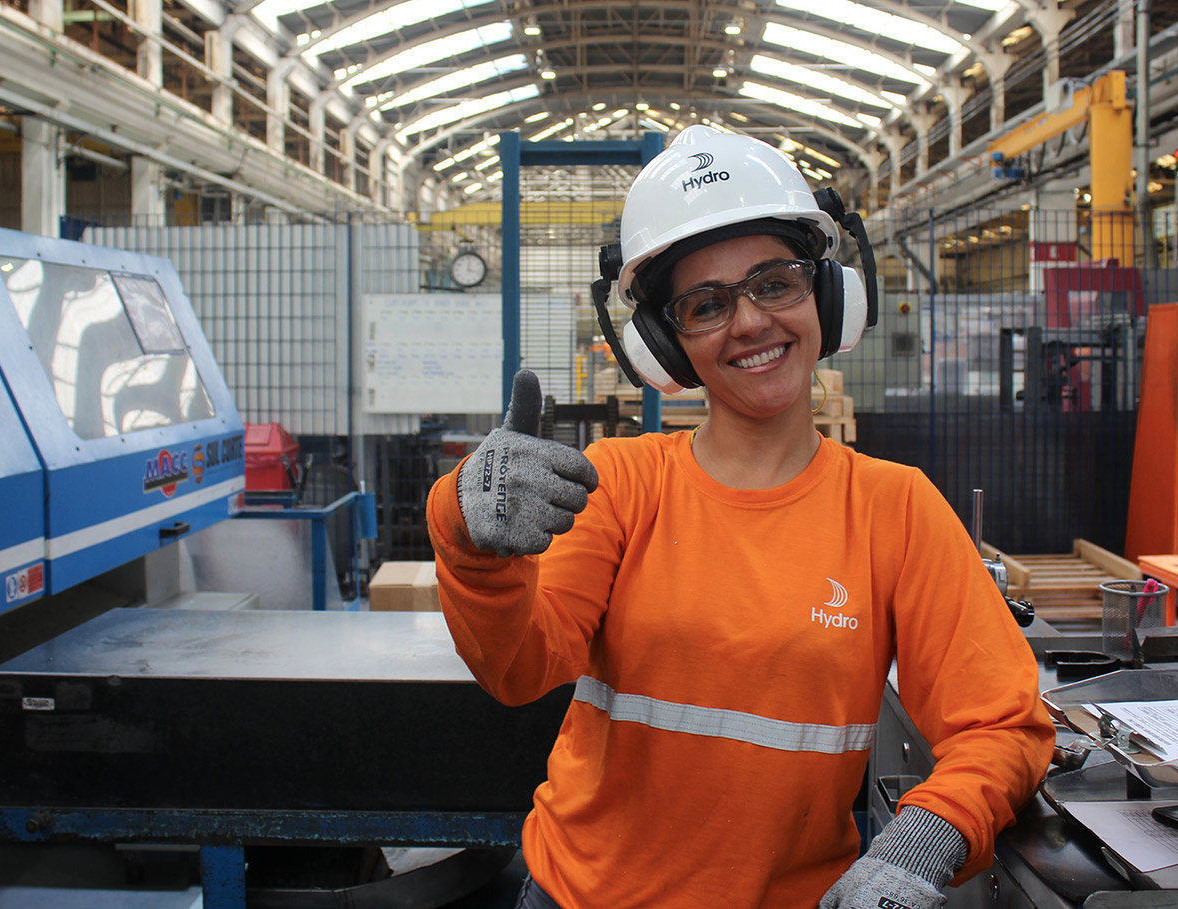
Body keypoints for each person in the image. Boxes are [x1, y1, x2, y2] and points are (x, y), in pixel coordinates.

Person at [427, 125, 1053, 909]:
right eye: (707, 304)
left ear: (826, 294)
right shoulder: (623, 484)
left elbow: (1001, 724)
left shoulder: (896, 509)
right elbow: (518, 669)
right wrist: (464, 533)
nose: (751, 322)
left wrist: (923, 843)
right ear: (666, 342)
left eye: (775, 282)